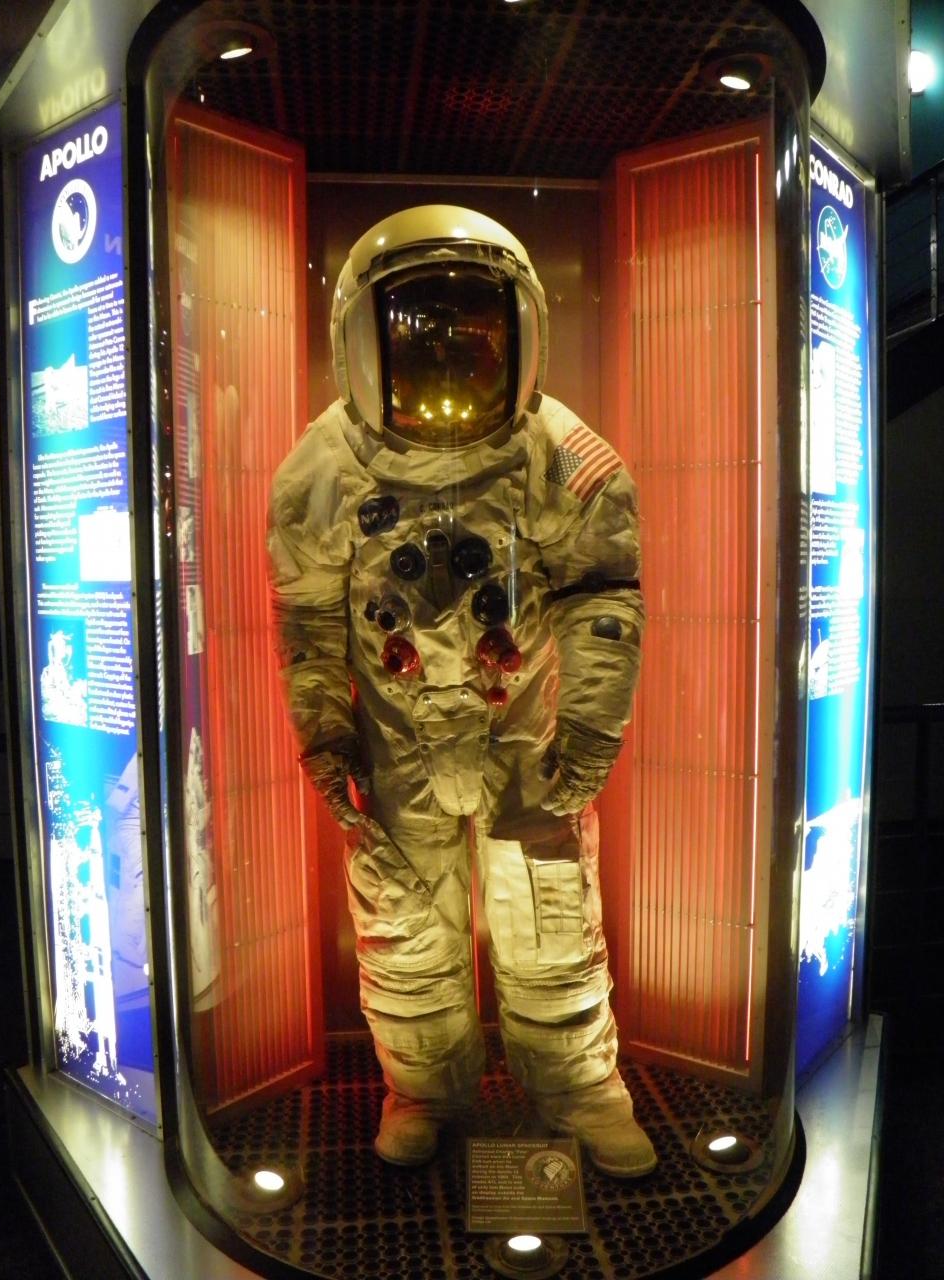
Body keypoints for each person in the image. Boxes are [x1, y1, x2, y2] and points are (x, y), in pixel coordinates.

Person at [267, 205, 655, 1177]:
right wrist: (326, 738)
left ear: (521, 332)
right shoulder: (323, 471)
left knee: (549, 910)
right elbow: (309, 623)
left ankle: (579, 1085)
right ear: (361, 341)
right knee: (403, 921)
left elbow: (603, 597)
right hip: (395, 737)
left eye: (470, 335)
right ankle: (423, 1091)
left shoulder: (559, 454)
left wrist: (591, 733)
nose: (444, 366)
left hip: (521, 729)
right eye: (418, 336)